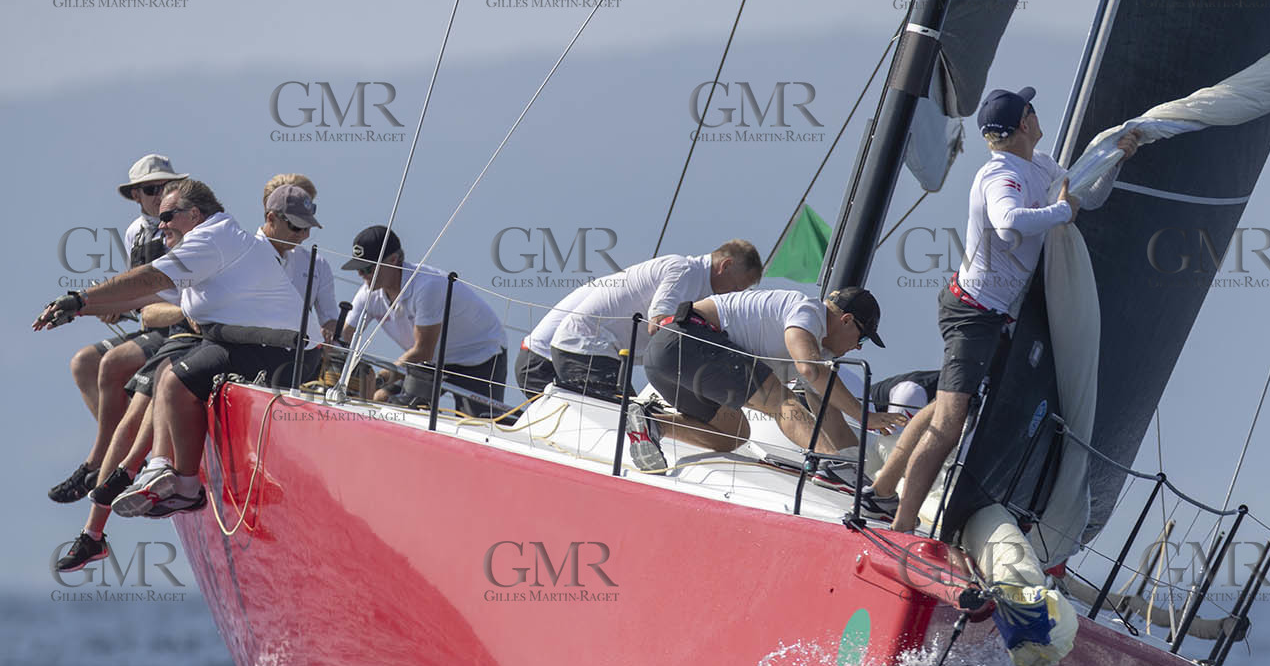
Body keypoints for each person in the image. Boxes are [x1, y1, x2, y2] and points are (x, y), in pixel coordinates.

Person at [868, 86, 1139, 531]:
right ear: (1024, 124)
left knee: (945, 409)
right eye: (1032, 109)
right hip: (972, 314)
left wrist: (1115, 160)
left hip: (992, 314)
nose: (1037, 113)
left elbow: (1084, 196)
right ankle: (900, 524)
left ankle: (882, 491)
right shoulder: (1001, 175)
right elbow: (1009, 219)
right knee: (953, 420)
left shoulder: (1041, 165)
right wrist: (1059, 212)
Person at [34, 178, 308, 526]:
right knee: (167, 375)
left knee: (176, 379)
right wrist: (76, 310)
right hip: (248, 341)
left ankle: (184, 485)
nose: (160, 224)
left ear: (194, 214)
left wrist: (80, 297)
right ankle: (157, 469)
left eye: (168, 216)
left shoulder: (211, 238)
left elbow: (150, 278)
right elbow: (147, 297)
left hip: (278, 349)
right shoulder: (208, 241)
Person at [635, 286, 905, 471]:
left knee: (733, 435)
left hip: (665, 358)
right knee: (780, 401)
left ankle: (652, 423)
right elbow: (809, 369)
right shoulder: (807, 311)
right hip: (687, 341)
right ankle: (828, 466)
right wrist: (862, 416)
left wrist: (856, 473)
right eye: (864, 337)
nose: (859, 347)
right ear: (846, 320)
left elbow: (828, 410)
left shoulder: (817, 350)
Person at [48, 154, 190, 504]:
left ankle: (99, 462)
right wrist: (104, 308)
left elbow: (174, 292)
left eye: (168, 187)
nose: (161, 194)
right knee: (83, 362)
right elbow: (137, 291)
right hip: (149, 322)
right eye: (152, 189)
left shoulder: (183, 227)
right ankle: (118, 453)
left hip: (179, 324)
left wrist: (97, 303)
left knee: (111, 364)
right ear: (136, 196)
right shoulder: (134, 232)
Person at [544, 240, 764, 400]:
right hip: (586, 347)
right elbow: (658, 322)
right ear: (725, 266)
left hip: (600, 351)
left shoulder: (699, 286)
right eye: (736, 287)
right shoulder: (684, 271)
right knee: (623, 421)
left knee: (630, 419)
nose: (731, 295)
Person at [341, 226, 506, 417]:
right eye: (358, 269)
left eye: (367, 269)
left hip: (479, 357)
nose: (361, 275)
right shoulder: (367, 292)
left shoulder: (427, 287)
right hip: (430, 363)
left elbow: (423, 351)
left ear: (393, 260)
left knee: (476, 426)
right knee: (380, 399)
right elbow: (345, 337)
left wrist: (378, 379)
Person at [259, 174, 339, 342]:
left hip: (295, 355)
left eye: (307, 225)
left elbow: (330, 320)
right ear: (271, 217)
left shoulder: (316, 264)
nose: (304, 235)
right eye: (296, 224)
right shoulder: (244, 250)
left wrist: (329, 334)